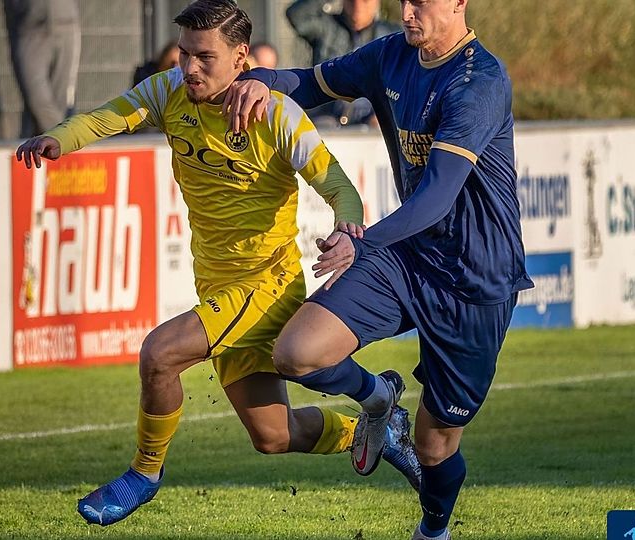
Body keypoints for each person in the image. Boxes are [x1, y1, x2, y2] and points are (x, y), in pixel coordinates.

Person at [16, 0, 420, 527]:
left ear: (241, 57)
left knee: (160, 354)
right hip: (218, 287)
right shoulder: (168, 92)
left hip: (266, 285)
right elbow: (106, 117)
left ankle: (143, 473)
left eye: (204, 56)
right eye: (183, 53)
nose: (189, 68)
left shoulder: (275, 113)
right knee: (274, 437)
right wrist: (60, 140)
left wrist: (347, 228)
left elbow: (339, 186)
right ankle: (377, 429)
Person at [224, 0, 534, 539]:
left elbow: (436, 196)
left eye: (421, 1)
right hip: (405, 258)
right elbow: (313, 82)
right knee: (297, 354)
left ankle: (433, 530)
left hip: (474, 279)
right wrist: (260, 81)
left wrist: (361, 244)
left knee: (436, 441)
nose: (406, 10)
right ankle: (377, 398)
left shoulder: (480, 81)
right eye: (404, 0)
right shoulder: (391, 55)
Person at [286, 0, 398, 127]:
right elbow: (296, 15)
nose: (358, 6)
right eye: (351, 1)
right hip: (328, 117)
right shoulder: (326, 27)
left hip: (374, 120)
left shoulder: (392, 36)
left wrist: (387, 114)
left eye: (365, 1)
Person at [3, 0, 80, 137]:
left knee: (61, 102)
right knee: (37, 100)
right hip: (28, 28)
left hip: (66, 21)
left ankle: (50, 148)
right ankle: (64, 143)